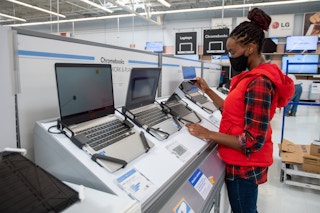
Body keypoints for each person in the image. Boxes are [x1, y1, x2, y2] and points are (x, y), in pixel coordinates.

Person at [185, 8, 294, 213]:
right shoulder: (250, 78)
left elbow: (252, 141)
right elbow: (233, 110)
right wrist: (207, 90)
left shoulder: (259, 83)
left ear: (251, 48)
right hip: (238, 161)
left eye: (233, 52)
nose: (231, 57)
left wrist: (208, 134)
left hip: (245, 167)